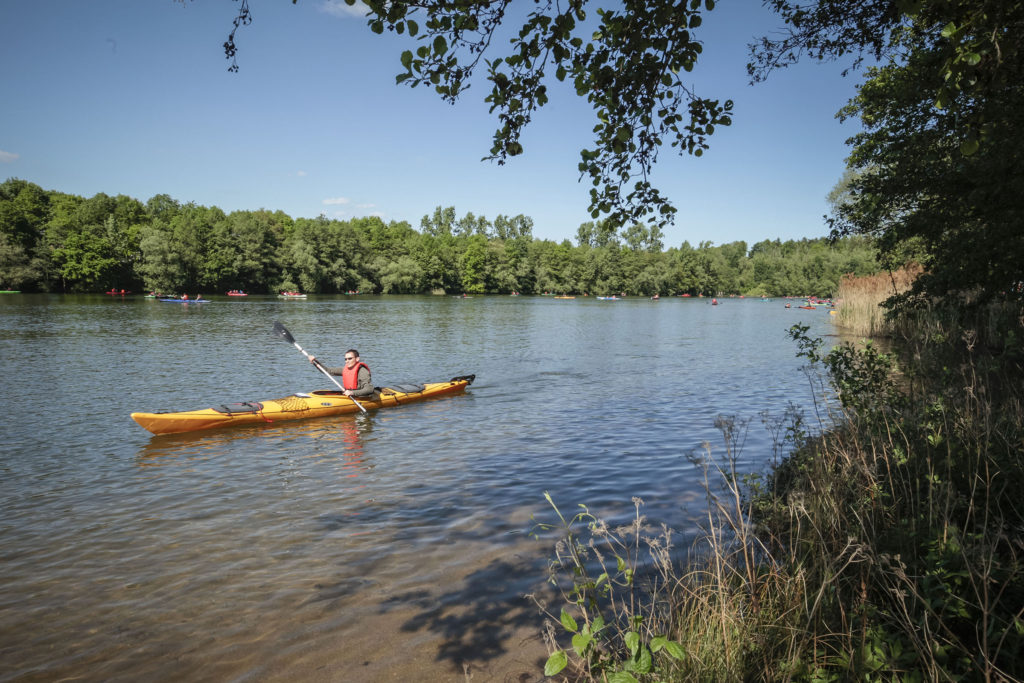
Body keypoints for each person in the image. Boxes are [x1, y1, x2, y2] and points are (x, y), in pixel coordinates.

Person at [309, 349, 374, 397]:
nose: (347, 361)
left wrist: (352, 393)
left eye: (350, 359)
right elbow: (327, 371)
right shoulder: (345, 369)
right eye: (345, 359)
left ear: (357, 359)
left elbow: (369, 389)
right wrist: (315, 362)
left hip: (362, 397)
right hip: (349, 395)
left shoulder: (362, 371)